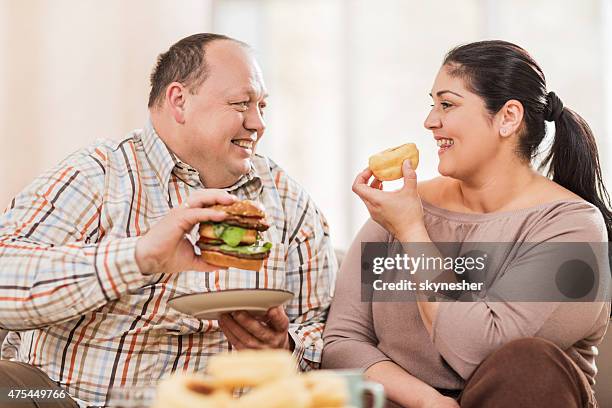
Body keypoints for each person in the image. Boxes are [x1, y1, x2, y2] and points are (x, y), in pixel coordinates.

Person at [0, 33, 336, 407]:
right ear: (179, 101)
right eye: (241, 104)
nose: (258, 124)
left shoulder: (289, 204)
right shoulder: (100, 175)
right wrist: (138, 257)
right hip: (67, 399)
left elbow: (324, 335)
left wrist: (284, 347)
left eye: (262, 106)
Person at [322, 40, 611, 408]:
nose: (430, 121)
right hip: (406, 404)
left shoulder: (572, 229)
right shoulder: (404, 205)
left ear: (508, 117)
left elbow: (478, 352)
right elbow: (342, 340)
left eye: (447, 104)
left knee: (530, 365)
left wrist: (413, 234)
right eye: (432, 104)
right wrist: (427, 401)